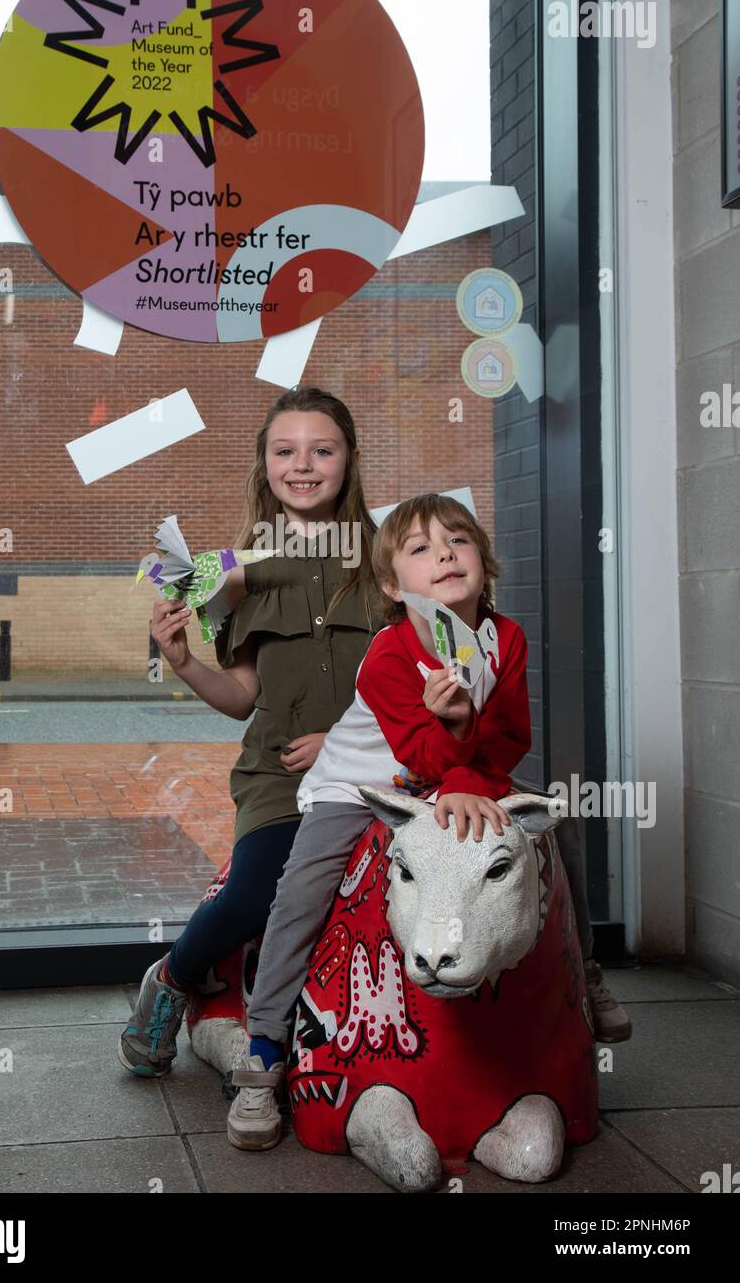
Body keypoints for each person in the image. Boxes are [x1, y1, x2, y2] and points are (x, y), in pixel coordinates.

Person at [226, 492, 631, 1151]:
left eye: (458, 540)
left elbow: (509, 740)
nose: (444, 553)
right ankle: (265, 1048)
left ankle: (585, 971)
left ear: (485, 562)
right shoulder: (389, 654)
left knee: (561, 826)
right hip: (364, 781)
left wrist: (472, 771)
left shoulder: (507, 639)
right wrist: (453, 724)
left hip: (462, 776)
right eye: (420, 548)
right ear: (391, 584)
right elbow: (418, 756)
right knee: (301, 891)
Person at [118, 386, 384, 1078]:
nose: (303, 465)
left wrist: (349, 738)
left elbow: (420, 679)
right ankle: (174, 977)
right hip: (282, 780)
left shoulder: (390, 561)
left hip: (380, 772)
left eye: (322, 450)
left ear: (349, 460)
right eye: (284, 450)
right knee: (253, 894)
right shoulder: (232, 576)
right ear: (263, 464)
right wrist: (180, 664)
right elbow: (240, 698)